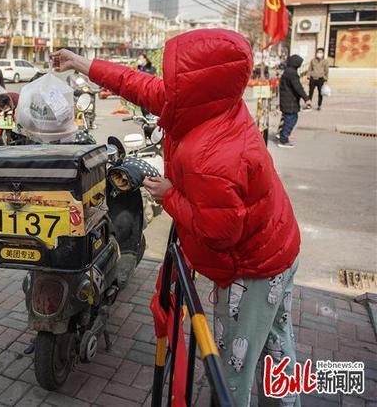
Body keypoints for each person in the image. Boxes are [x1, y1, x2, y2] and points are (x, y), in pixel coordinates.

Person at [52, 28, 301, 407]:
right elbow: (137, 84)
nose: (166, 83)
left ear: (197, 82)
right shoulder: (210, 102)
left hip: (252, 268)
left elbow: (220, 232)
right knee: (276, 345)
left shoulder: (212, 154)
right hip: (277, 243)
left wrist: (170, 196)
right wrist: (82, 64)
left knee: (230, 371)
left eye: (174, 76)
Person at [278, 55, 312, 148]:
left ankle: (283, 135)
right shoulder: (292, 73)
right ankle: (283, 140)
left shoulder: (288, 71)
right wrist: (306, 99)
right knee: (291, 119)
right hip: (289, 101)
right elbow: (298, 88)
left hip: (288, 100)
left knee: (289, 118)